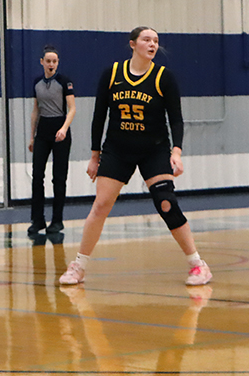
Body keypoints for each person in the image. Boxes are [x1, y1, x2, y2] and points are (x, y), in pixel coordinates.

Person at [59, 27, 212, 287]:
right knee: (101, 205)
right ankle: (78, 266)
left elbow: (176, 118)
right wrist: (95, 155)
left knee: (166, 203)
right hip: (118, 149)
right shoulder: (112, 74)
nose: (152, 44)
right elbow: (99, 117)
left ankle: (198, 264)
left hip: (154, 149)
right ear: (133, 44)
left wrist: (177, 151)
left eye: (156, 41)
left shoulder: (164, 77)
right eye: (146, 40)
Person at [27, 45, 76, 235]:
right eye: (48, 61)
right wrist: (32, 136)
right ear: (42, 62)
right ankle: (37, 220)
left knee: (59, 178)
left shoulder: (65, 82)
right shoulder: (37, 83)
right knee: (37, 175)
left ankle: (57, 220)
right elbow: (35, 111)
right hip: (43, 131)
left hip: (60, 130)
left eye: (54, 61)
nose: (51, 64)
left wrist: (63, 128)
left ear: (57, 63)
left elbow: (72, 108)